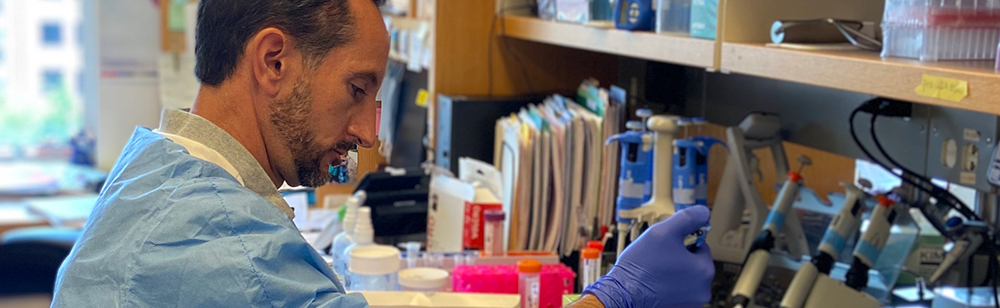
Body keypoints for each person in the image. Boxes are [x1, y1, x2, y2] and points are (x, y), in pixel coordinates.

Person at [51, 0, 714, 307]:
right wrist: (610, 301)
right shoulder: (225, 249)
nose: (369, 133)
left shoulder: (153, 173)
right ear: (274, 61)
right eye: (358, 88)